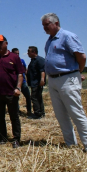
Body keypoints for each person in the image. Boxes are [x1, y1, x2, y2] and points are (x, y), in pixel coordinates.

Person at [42, 13, 87, 152]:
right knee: (61, 115)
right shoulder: (49, 40)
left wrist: (77, 73)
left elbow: (81, 56)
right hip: (54, 80)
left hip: (68, 78)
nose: (44, 28)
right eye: (43, 25)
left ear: (56, 23)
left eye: (47, 24)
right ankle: (71, 145)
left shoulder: (67, 36)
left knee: (76, 113)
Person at [11, 48, 32, 117]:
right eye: (15, 53)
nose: (17, 55)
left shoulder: (22, 61)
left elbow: (25, 71)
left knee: (28, 97)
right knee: (16, 98)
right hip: (15, 83)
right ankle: (17, 111)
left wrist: (28, 78)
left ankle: (29, 111)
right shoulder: (11, 62)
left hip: (23, 82)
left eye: (18, 53)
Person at [26, 46, 45, 119]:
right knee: (38, 97)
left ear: (34, 52)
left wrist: (42, 79)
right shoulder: (33, 60)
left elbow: (42, 70)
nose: (27, 53)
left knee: (34, 97)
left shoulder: (39, 60)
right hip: (34, 82)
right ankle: (41, 113)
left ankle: (37, 114)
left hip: (37, 82)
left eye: (29, 51)